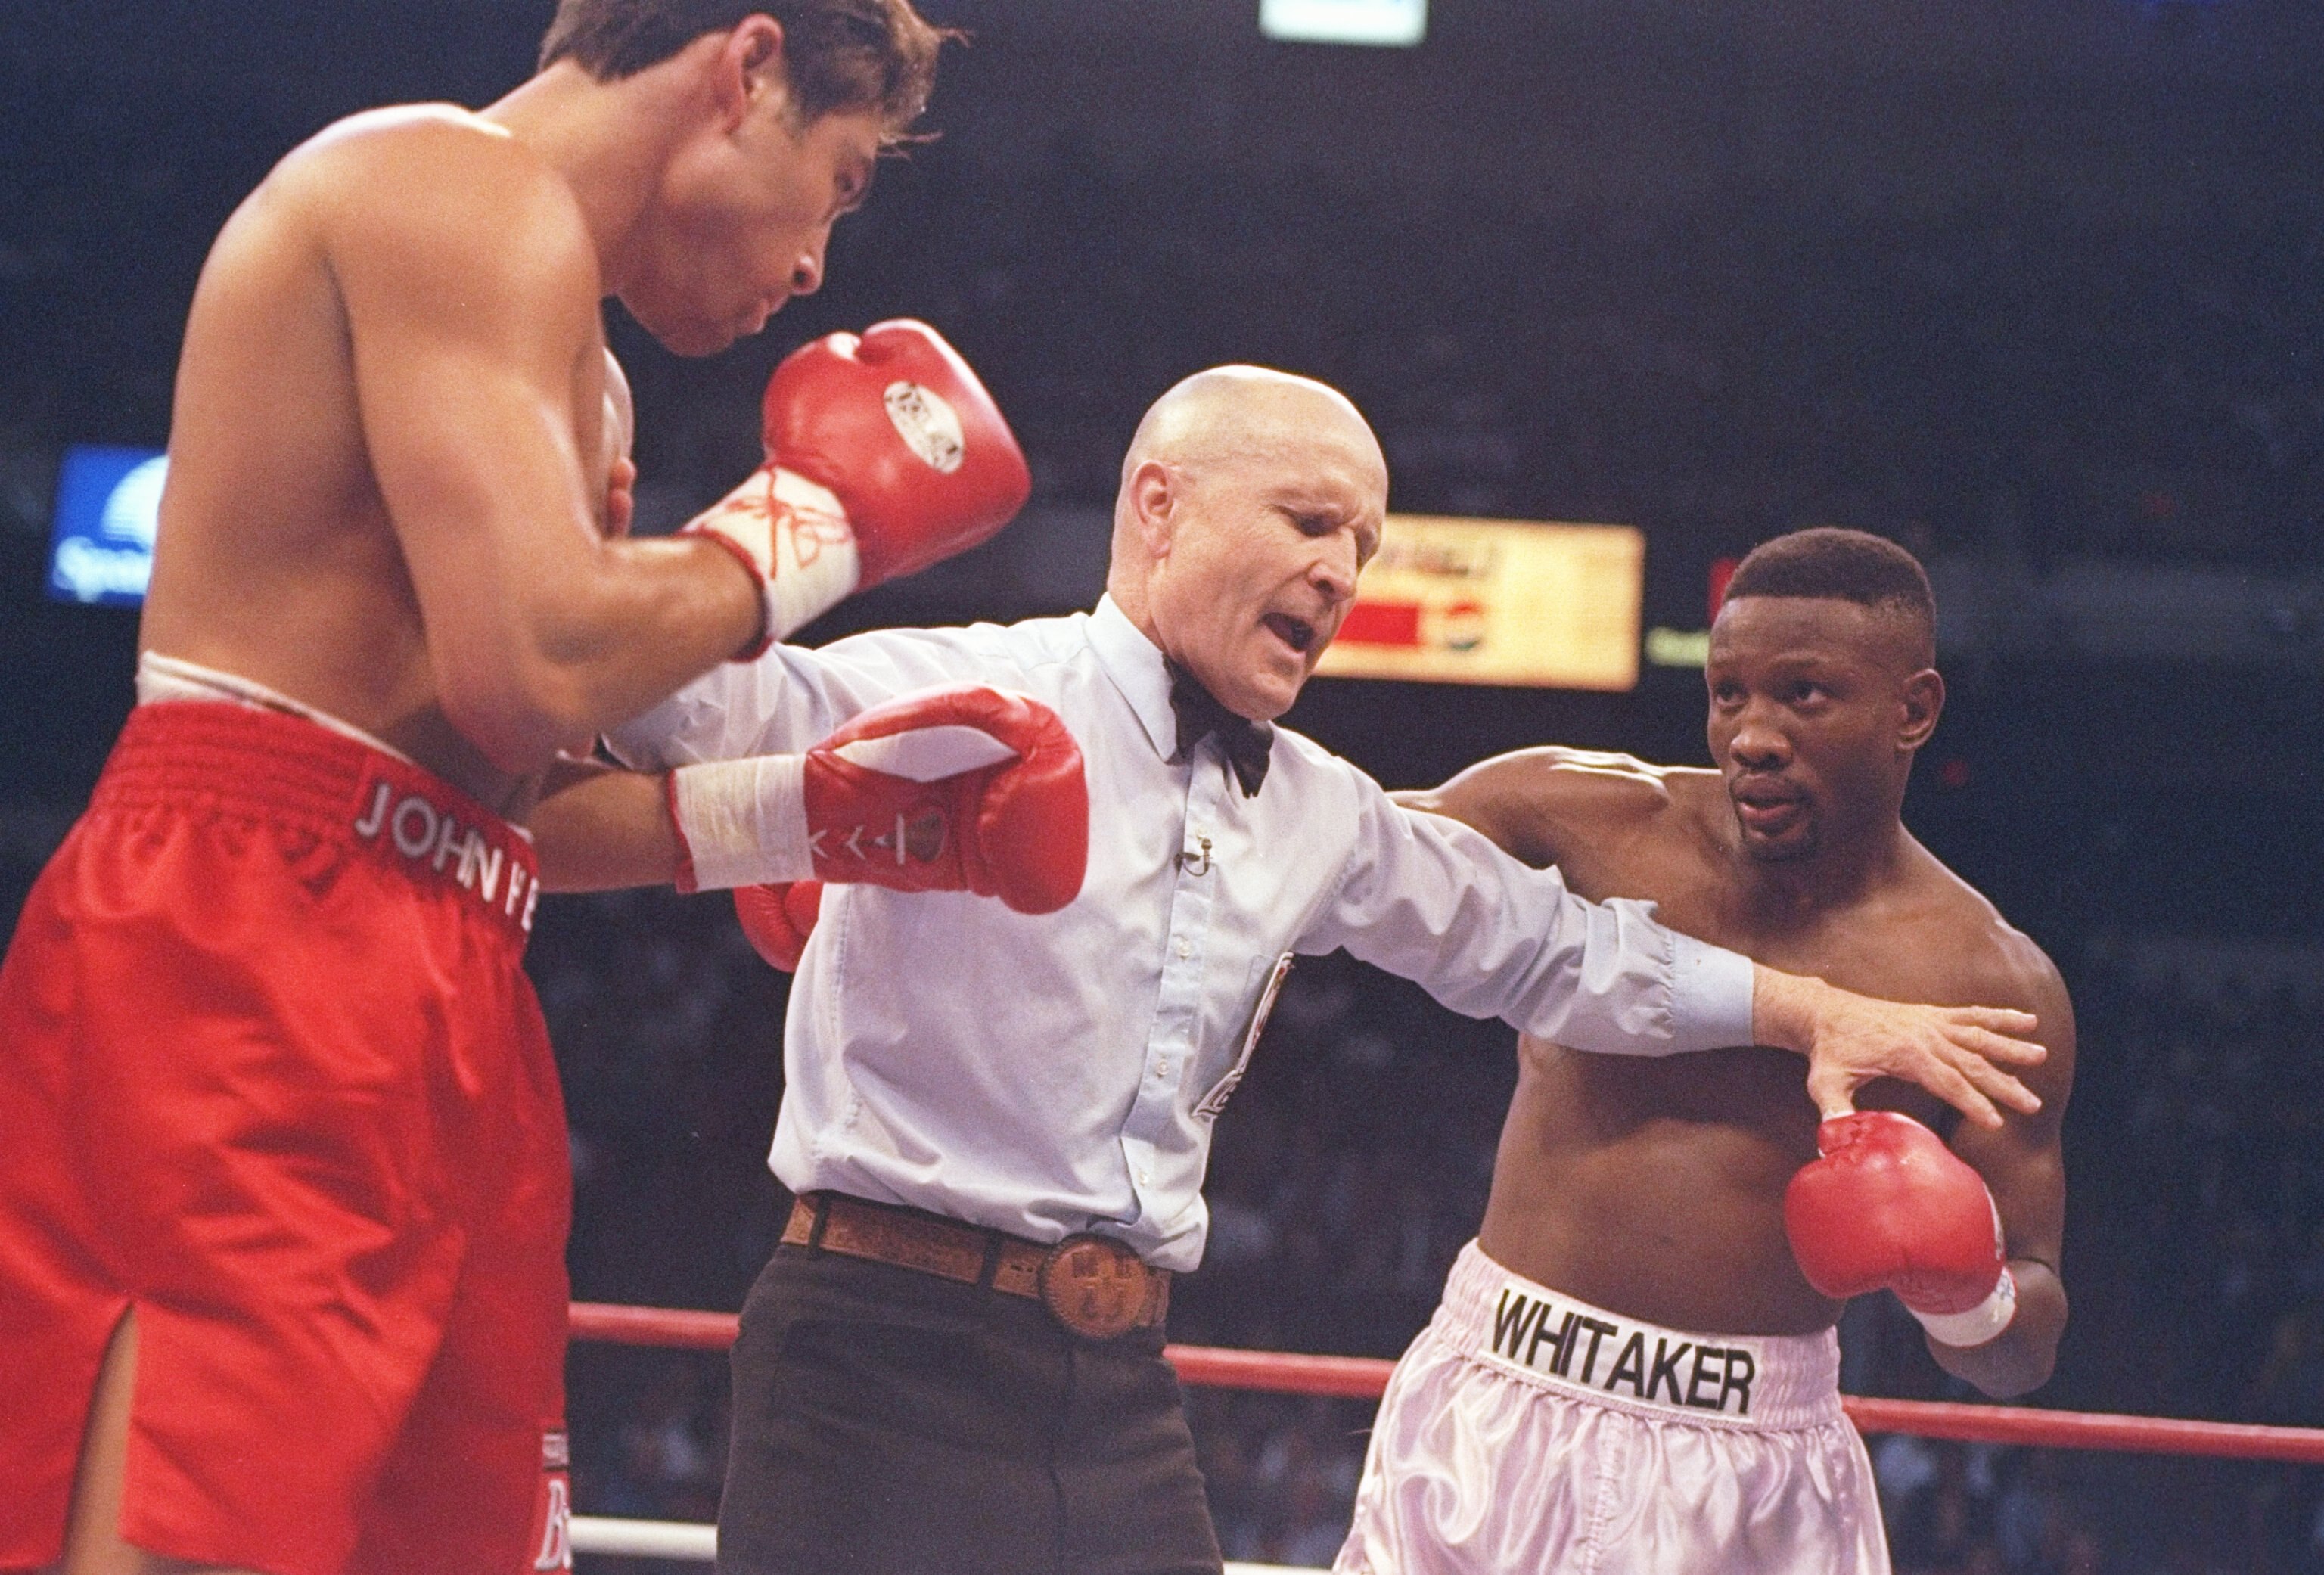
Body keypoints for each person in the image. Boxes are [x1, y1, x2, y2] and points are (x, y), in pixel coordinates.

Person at [532, 376, 2049, 1575]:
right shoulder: (972, 689)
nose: (1342, 571)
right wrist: (800, 533)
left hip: (1116, 1374)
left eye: (1365, 546)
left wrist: (1811, 1011)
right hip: (876, 1343)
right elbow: (669, 713)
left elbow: (1563, 956)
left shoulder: (1315, 805)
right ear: (1160, 506)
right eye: (1312, 522)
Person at [0, 4, 1073, 1572]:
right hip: (238, 954)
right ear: (745, 67)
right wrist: (824, 526)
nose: (814, 273)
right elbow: (535, 664)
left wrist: (832, 818)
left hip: (442, 969)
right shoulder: (442, 185)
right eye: (838, 187)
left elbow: (495, 797)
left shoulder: (591, 381)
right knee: (193, 1533)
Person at [1334, 528, 2076, 1575]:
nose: (1753, 734)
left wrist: (1966, 1288)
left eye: (1804, 695)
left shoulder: (1989, 984)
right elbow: (1324, 854)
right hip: (1493, 1402)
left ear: (1913, 711)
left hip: (1751, 1467)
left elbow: (2025, 1346)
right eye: (1728, 694)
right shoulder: (1577, 817)